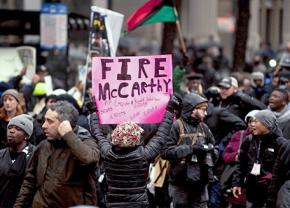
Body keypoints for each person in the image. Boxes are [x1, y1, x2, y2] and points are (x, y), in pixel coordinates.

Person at [88, 95, 180, 207]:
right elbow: (162, 134)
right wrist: (170, 110)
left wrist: (93, 112)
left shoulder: (107, 153)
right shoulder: (144, 155)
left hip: (114, 205)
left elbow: (97, 133)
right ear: (136, 140)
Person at [14, 101, 100, 208]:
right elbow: (29, 183)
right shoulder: (43, 146)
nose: (44, 126)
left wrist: (68, 135)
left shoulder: (84, 141)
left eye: (50, 121)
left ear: (65, 124)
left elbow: (90, 159)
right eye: (45, 120)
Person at [162, 93, 218, 208]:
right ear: (193, 109)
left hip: (201, 183)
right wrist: (191, 149)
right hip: (180, 183)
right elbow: (165, 152)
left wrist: (209, 151)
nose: (206, 113)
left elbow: (215, 149)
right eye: (203, 109)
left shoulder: (204, 127)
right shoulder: (176, 126)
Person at [232, 109, 287, 208]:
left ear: (267, 124)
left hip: (272, 193)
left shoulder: (281, 143)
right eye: (251, 121)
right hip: (252, 191)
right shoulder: (248, 140)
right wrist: (237, 182)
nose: (251, 124)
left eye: (256, 121)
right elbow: (241, 164)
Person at [0, 114, 35, 207]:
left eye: (18, 129)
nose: (11, 131)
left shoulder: (34, 155)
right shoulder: (1, 154)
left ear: (26, 136)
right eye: (10, 127)